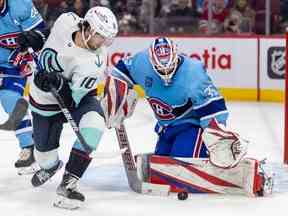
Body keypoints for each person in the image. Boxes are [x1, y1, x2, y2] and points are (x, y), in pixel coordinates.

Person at [102, 37, 273, 196]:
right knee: (163, 171)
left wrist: (216, 134)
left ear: (176, 56)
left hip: (191, 127)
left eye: (169, 67)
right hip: (166, 128)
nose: (166, 73)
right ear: (151, 61)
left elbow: (214, 108)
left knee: (180, 172)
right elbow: (120, 72)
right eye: (160, 69)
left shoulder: (193, 73)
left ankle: (252, 174)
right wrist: (115, 98)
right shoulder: (142, 62)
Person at [17, 6, 118, 209]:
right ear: (87, 28)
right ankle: (52, 166)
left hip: (76, 99)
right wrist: (35, 37)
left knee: (94, 126)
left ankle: (70, 181)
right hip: (43, 101)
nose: (103, 43)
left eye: (107, 39)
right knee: (45, 159)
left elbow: (72, 100)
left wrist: (58, 83)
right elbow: (49, 33)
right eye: (100, 37)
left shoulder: (95, 61)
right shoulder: (66, 20)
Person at [0, 0, 45, 174]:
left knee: (9, 97)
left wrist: (28, 54)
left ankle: (29, 147)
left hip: (17, 62)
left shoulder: (20, 5)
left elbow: (42, 34)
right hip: (5, 59)